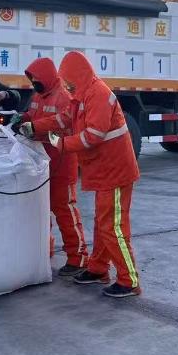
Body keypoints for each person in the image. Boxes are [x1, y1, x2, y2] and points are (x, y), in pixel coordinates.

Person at [54, 51, 142, 298]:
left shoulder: (98, 94)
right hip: (104, 170)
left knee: (113, 226)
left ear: (78, 76)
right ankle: (98, 268)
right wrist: (35, 127)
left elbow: (93, 135)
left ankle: (129, 280)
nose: (67, 86)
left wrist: (61, 144)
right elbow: (63, 119)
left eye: (69, 81)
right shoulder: (81, 95)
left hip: (114, 171)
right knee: (104, 223)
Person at [13, 57, 87, 276]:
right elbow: (33, 115)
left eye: (36, 79)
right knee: (41, 209)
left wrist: (35, 127)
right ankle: (45, 248)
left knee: (64, 210)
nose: (34, 83)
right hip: (42, 161)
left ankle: (78, 258)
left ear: (46, 76)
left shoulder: (63, 97)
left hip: (62, 162)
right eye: (32, 79)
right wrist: (23, 118)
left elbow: (64, 127)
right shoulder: (39, 95)